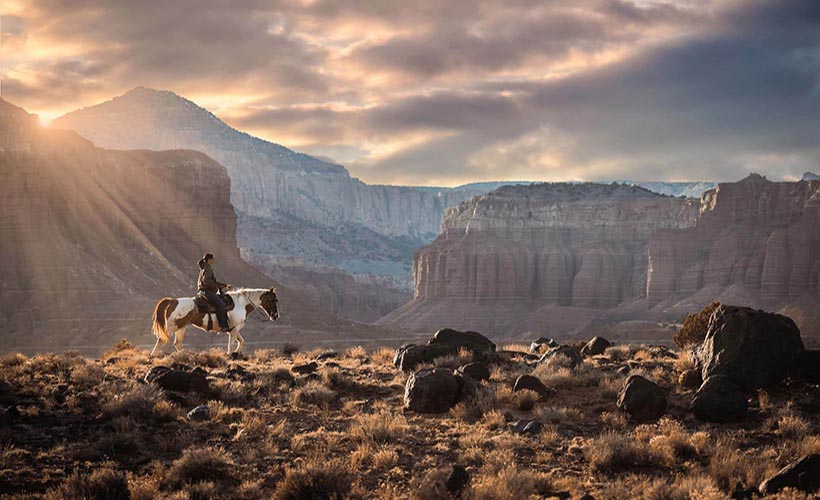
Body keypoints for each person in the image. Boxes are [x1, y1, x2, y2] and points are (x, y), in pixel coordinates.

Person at [197, 253, 231, 332]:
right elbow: (207, 281)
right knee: (220, 303)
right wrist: (215, 287)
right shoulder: (208, 268)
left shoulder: (203, 267)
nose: (214, 260)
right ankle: (223, 325)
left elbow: (213, 281)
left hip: (202, 291)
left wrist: (224, 285)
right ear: (209, 259)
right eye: (213, 259)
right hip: (207, 291)